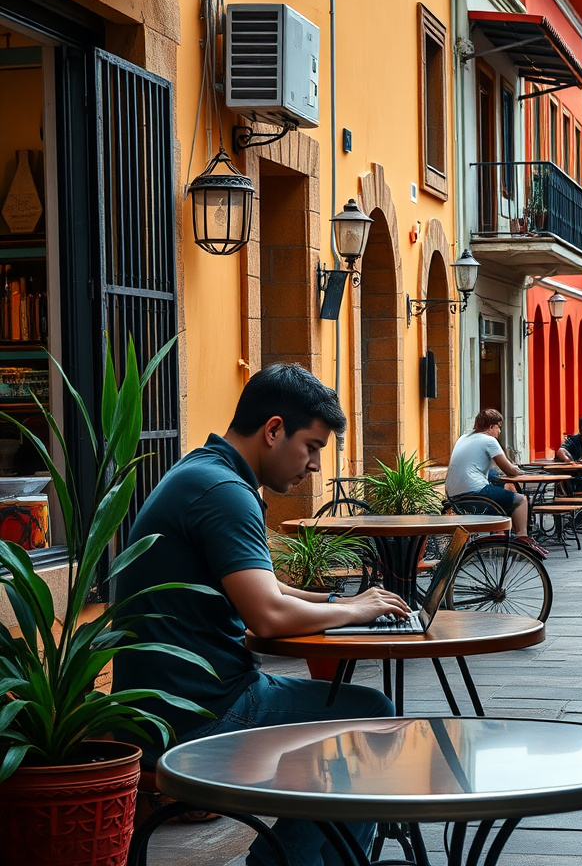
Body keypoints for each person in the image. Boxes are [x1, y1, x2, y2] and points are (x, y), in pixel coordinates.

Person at [112, 363, 408, 864]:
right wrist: (355, 611)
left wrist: (343, 604)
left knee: (348, 719)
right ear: (273, 430)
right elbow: (267, 616)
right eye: (312, 446)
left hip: (168, 708)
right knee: (371, 718)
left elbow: (266, 589)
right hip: (200, 716)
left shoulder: (203, 472)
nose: (315, 464)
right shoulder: (226, 493)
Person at [445, 408, 548, 559]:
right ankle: (522, 539)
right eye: (498, 427)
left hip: (454, 495)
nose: (499, 431)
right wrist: (524, 472)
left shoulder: (464, 437)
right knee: (520, 501)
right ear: (491, 426)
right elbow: (509, 469)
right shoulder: (489, 440)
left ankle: (501, 535)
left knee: (500, 487)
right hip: (475, 493)